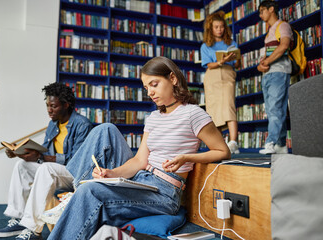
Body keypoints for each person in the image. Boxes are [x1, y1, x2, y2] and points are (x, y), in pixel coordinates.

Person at [46, 56, 231, 240]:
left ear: (173, 79)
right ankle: (75, 195)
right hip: (141, 180)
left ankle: (75, 197)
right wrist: (111, 173)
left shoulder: (193, 114)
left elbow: (222, 151)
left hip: (165, 192)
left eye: (154, 84)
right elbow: (140, 161)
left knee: (90, 192)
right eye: (146, 87)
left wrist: (187, 158)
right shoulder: (153, 118)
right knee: (103, 139)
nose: (150, 92)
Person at [0, 82, 93, 240]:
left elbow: (76, 161)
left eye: (53, 106)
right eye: (47, 105)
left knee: (47, 169)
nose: (49, 110)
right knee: (22, 166)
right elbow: (43, 151)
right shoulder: (53, 124)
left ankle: (32, 229)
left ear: (66, 105)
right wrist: (22, 153)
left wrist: (40, 157)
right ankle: (18, 218)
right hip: (55, 171)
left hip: (74, 173)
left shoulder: (82, 125)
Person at [200, 11, 241, 155]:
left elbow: (237, 63)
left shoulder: (231, 43)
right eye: (216, 27)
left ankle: (233, 142)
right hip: (213, 77)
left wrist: (234, 59)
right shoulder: (206, 46)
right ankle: (219, 144)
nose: (219, 29)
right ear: (211, 29)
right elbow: (208, 65)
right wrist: (220, 61)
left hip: (228, 74)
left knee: (229, 107)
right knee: (214, 111)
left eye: (222, 26)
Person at [257, 0, 292, 154]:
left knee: (275, 109)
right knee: (274, 110)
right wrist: (261, 65)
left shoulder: (282, 26)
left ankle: (270, 142)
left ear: (271, 9)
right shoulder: (269, 32)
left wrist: (267, 61)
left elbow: (284, 45)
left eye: (262, 10)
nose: (260, 15)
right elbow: (264, 58)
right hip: (268, 75)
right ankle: (281, 145)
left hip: (279, 72)